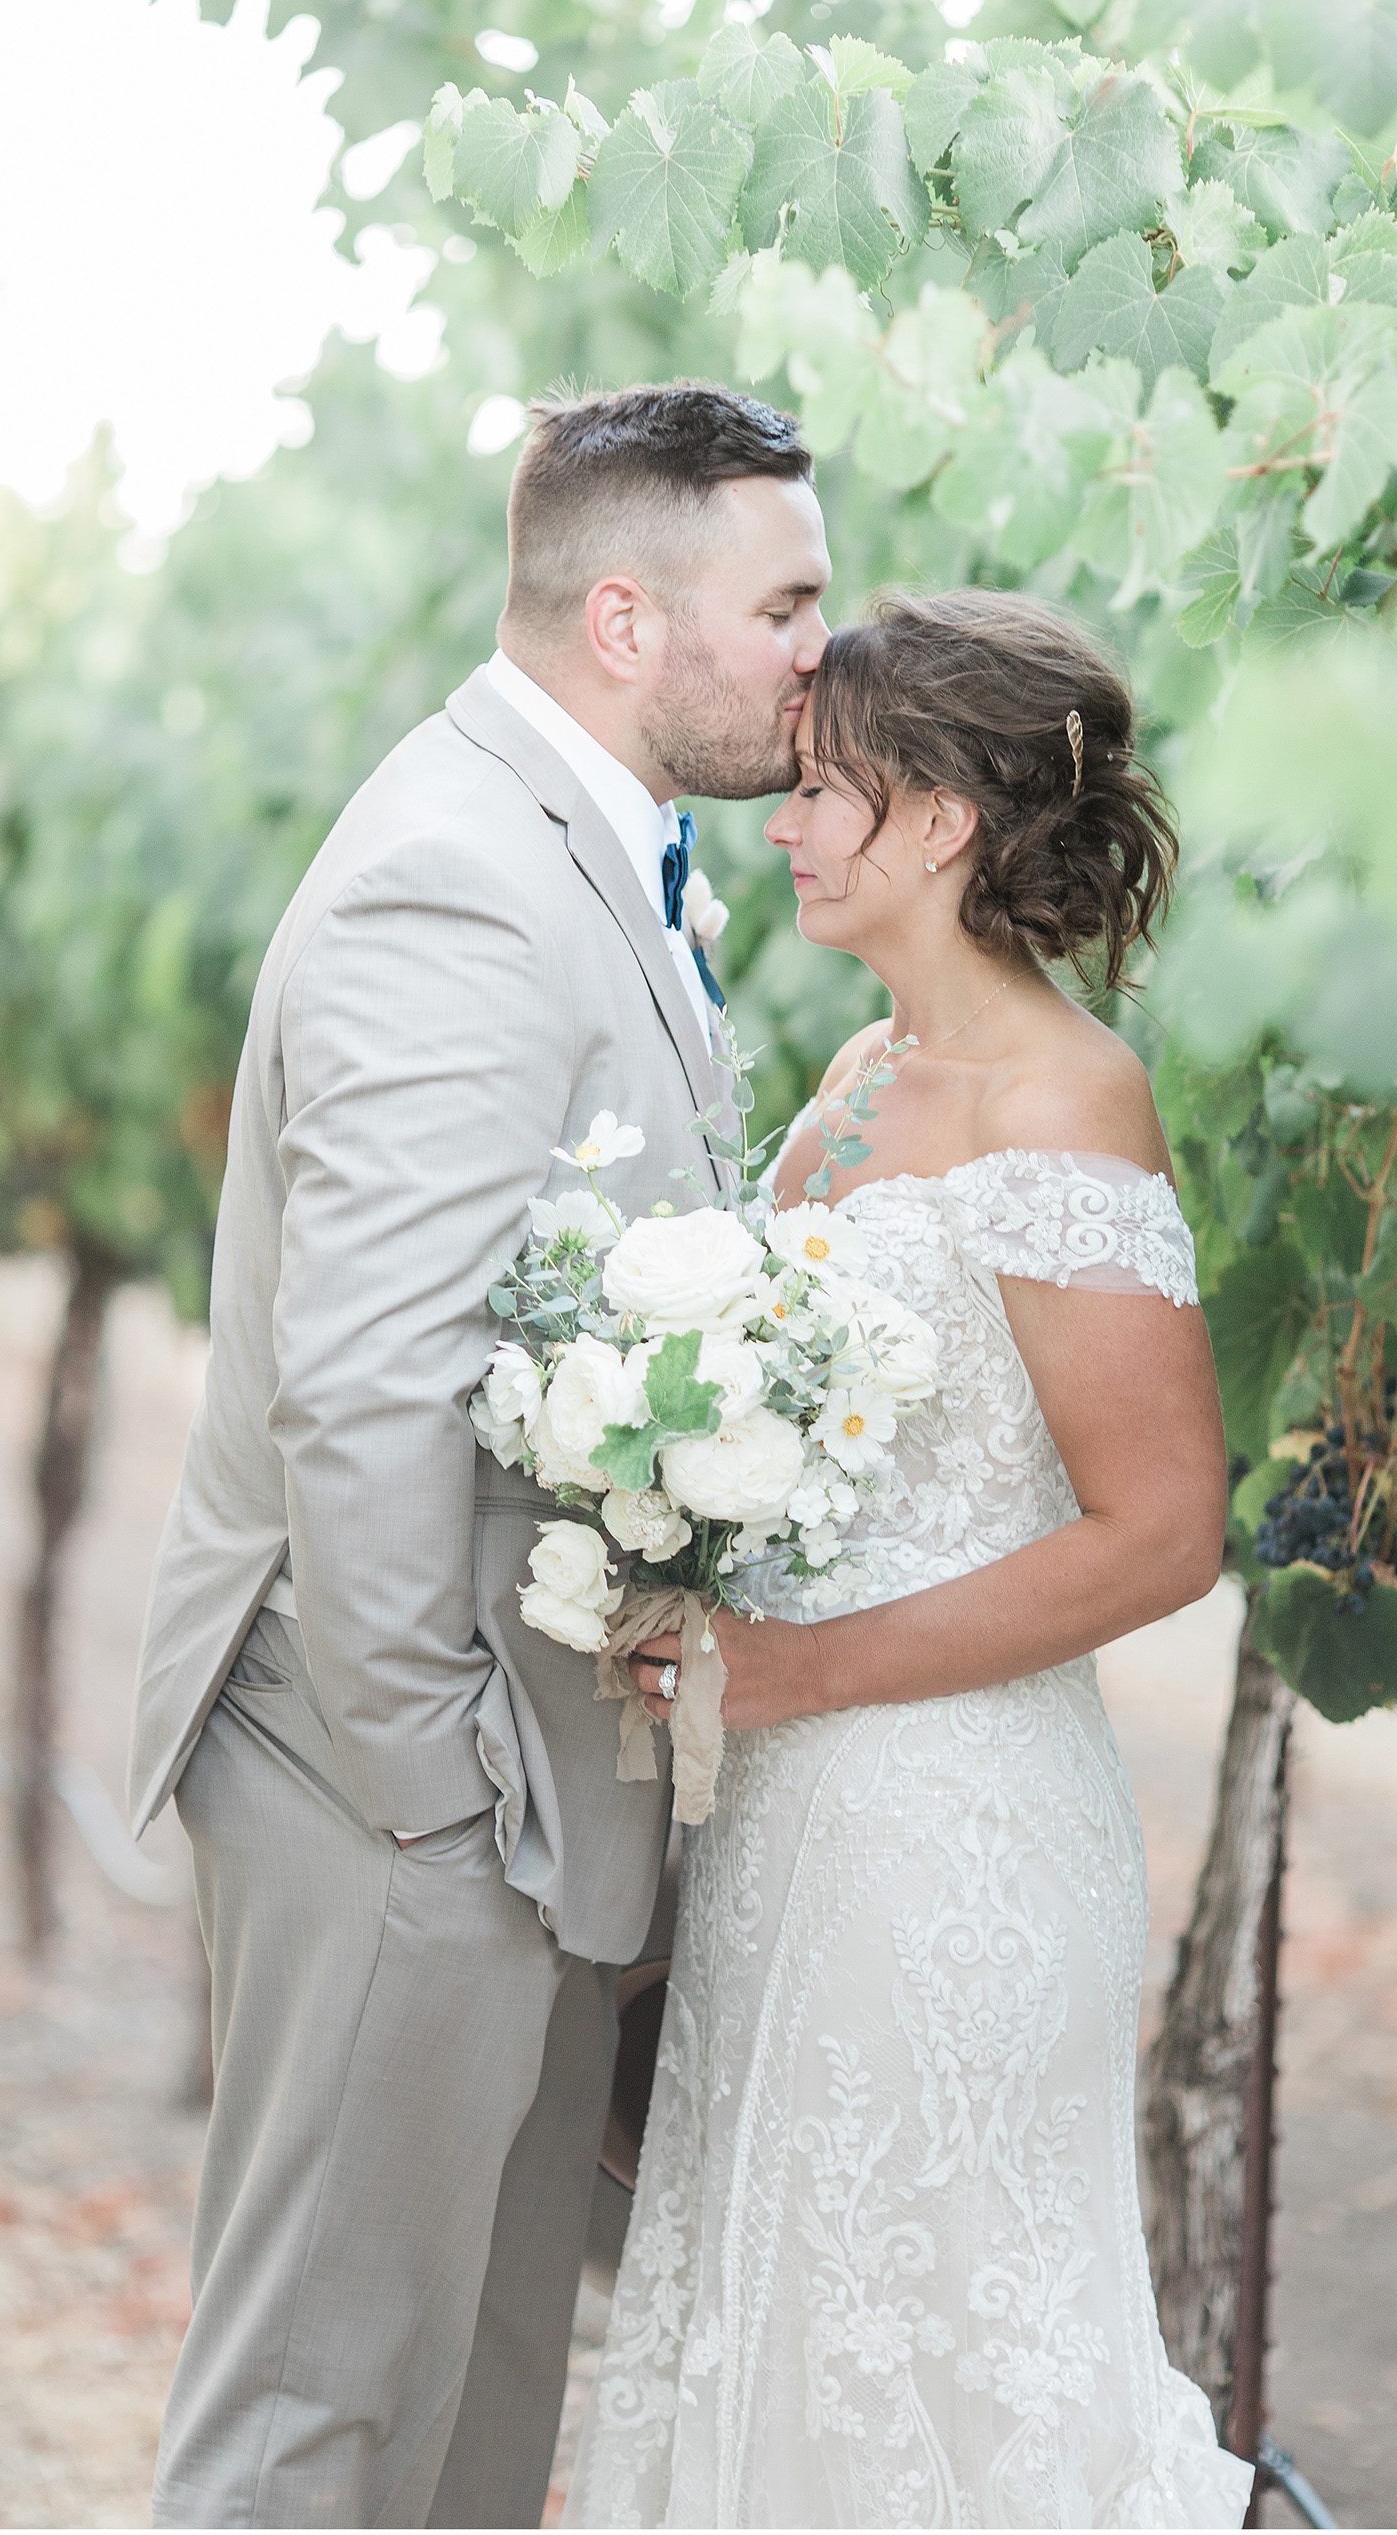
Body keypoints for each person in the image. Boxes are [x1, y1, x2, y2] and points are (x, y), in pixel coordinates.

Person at [131, 384, 833, 2530]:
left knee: (466, 2424)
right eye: (787, 600)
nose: (826, 644)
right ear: (627, 616)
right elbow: (363, 1390)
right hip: (398, 1786)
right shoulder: (454, 875)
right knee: (320, 2422)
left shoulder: (592, 854)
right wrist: (440, 1801)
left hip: (514, 1793)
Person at [570, 589, 1255, 2531]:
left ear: (939, 820)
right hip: (788, 1816)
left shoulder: (1063, 1097)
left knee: (947, 2345)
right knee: (781, 2323)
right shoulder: (855, 1079)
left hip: (949, 1821)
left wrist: (793, 1666)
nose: (779, 826)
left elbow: (1160, 1530)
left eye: (817, 792)